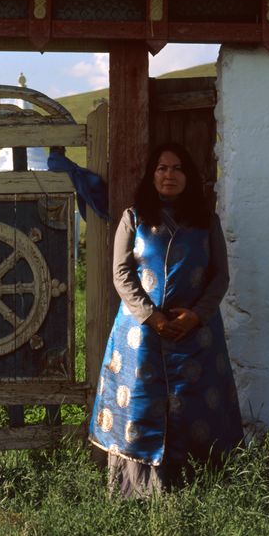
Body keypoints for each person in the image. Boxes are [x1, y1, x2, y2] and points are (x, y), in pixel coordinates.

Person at [88, 142, 244, 496]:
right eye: (162, 168)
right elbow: (121, 274)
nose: (169, 175)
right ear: (151, 175)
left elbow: (220, 276)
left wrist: (197, 315)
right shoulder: (134, 218)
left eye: (177, 169)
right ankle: (138, 489)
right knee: (142, 407)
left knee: (195, 407)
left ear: (188, 177)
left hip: (196, 335)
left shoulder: (206, 222)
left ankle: (199, 485)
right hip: (141, 336)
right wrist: (151, 317)